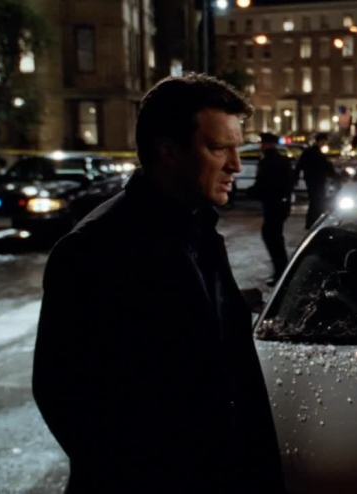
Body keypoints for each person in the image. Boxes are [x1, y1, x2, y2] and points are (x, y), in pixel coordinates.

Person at [32, 75, 284, 493]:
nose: (236, 165)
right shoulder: (94, 249)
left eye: (238, 148)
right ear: (168, 151)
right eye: (218, 148)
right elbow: (63, 395)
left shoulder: (200, 230)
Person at [255, 132, 294, 285]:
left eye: (263, 143)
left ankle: (281, 273)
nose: (261, 146)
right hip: (280, 205)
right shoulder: (283, 161)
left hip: (273, 205)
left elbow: (263, 184)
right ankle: (281, 272)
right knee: (275, 237)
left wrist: (251, 192)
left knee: (272, 238)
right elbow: (289, 183)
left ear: (267, 144)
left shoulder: (267, 162)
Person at [295, 132, 336, 229]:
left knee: (315, 201)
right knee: (317, 201)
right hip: (315, 180)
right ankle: (313, 222)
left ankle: (312, 222)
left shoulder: (311, 152)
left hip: (313, 180)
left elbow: (299, 165)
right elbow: (325, 167)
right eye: (324, 141)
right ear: (320, 141)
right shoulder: (315, 153)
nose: (324, 143)